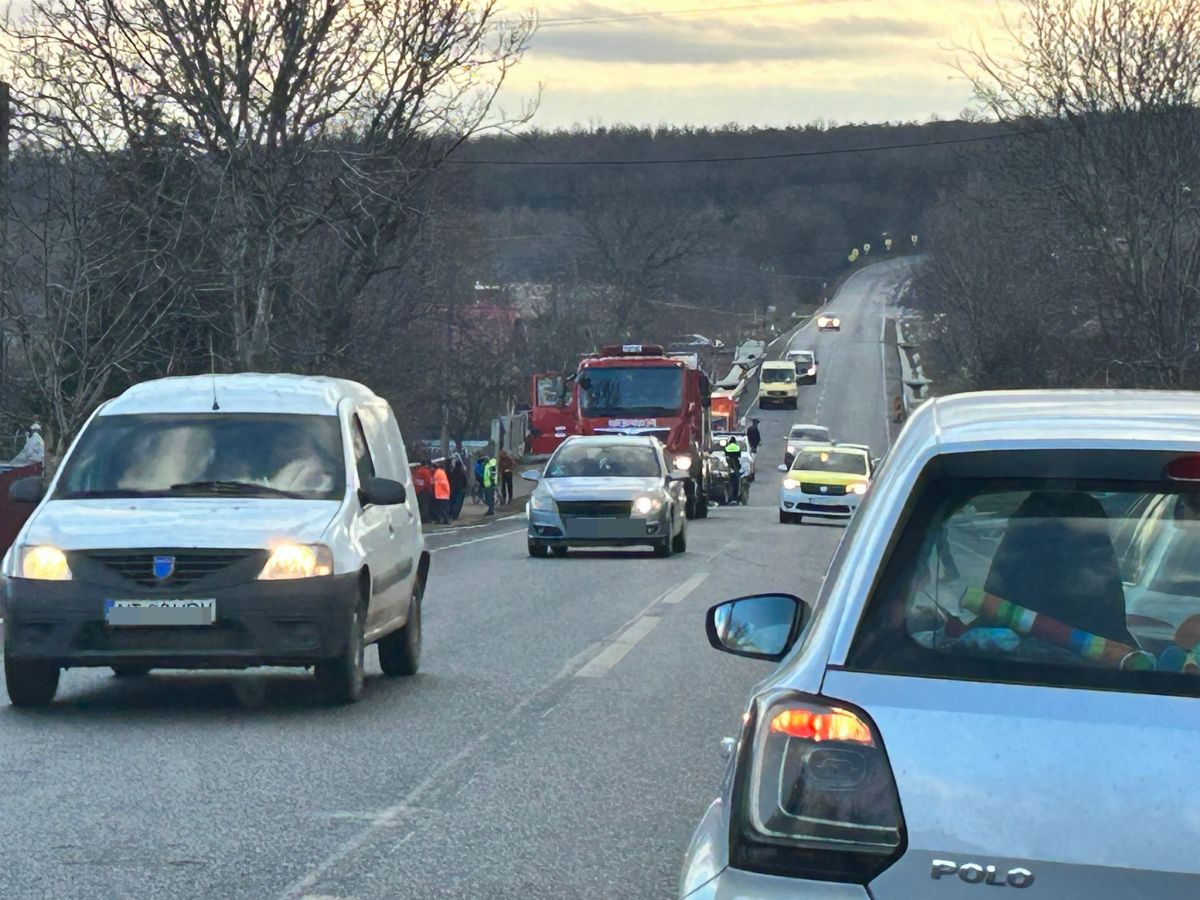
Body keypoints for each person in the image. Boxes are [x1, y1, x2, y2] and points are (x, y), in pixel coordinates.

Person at [724, 436, 743, 503]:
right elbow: (739, 456)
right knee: (736, 483)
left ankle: (730, 498)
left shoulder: (726, 448)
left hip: (729, 466)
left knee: (729, 483)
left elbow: (725, 456)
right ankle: (735, 497)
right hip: (736, 466)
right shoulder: (737, 447)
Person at [449, 455, 469, 520]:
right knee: (458, 504)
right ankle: (455, 516)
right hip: (460, 490)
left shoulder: (452, 472)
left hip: (453, 489)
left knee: (453, 502)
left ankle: (451, 514)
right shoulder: (462, 473)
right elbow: (465, 481)